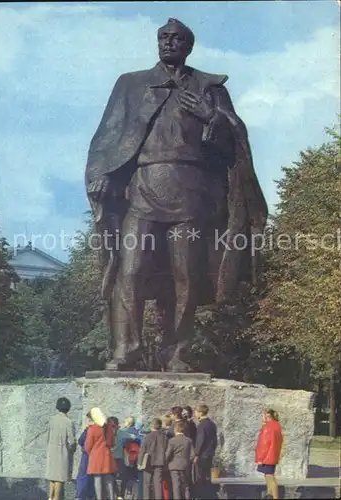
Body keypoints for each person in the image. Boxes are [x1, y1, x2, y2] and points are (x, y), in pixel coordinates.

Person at [85, 17, 268, 373]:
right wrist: (103, 174)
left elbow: (236, 140)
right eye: (163, 37)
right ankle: (127, 349)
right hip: (143, 187)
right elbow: (108, 136)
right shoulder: (132, 84)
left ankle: (178, 352)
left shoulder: (209, 88)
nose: (168, 42)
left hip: (191, 193)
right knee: (131, 269)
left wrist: (211, 116)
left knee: (186, 274)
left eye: (176, 38)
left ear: (188, 46)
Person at [45, 397, 76, 500]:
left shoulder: (51, 420)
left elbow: (47, 437)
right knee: (59, 477)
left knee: (52, 477)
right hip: (62, 451)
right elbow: (71, 441)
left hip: (51, 450)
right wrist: (72, 449)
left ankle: (50, 497)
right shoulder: (68, 422)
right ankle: (56, 498)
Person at [85, 408, 117, 500]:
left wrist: (89, 452)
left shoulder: (92, 429)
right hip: (107, 455)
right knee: (108, 478)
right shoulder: (109, 427)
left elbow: (88, 446)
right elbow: (112, 443)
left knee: (97, 479)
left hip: (96, 456)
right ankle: (111, 497)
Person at [255, 409, 283, 500]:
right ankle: (269, 494)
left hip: (267, 457)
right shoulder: (277, 425)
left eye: (263, 415)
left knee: (270, 478)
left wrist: (260, 458)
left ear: (267, 416)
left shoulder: (267, 427)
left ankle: (275, 497)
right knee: (269, 476)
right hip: (273, 455)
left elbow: (264, 444)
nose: (262, 417)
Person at [138, 418, 168, 500]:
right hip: (160, 462)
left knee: (146, 483)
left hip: (148, 462)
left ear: (152, 426)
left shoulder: (147, 437)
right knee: (158, 483)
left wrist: (140, 462)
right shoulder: (164, 437)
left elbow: (142, 450)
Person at [165, 421, 195, 500]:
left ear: (175, 430)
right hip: (185, 466)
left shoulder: (172, 441)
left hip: (173, 466)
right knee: (185, 485)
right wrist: (188, 461)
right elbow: (193, 454)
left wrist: (167, 462)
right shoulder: (189, 440)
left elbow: (167, 455)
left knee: (176, 486)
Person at [193, 404, 218, 499]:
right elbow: (215, 441)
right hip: (209, 453)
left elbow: (200, 440)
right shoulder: (212, 424)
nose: (195, 414)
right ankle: (209, 494)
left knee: (201, 476)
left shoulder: (201, 425)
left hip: (202, 454)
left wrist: (196, 454)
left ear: (200, 413)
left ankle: (203, 495)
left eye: (196, 412)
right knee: (207, 476)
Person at [76, 412, 95, 500]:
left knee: (83, 476)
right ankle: (90, 496)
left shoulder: (89, 430)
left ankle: (81, 496)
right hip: (94, 456)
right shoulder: (100, 429)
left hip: (87, 456)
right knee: (91, 477)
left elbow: (80, 441)